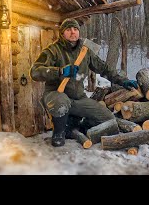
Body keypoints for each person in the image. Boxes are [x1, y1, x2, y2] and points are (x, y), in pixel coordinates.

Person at [29, 18, 139, 147]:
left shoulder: (85, 51)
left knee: (107, 118)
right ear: (62, 33)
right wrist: (59, 71)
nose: (73, 32)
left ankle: (77, 127)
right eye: (68, 29)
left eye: (75, 29)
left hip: (78, 98)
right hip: (56, 95)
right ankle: (59, 132)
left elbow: (104, 68)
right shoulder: (53, 50)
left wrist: (123, 80)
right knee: (61, 102)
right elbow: (35, 72)